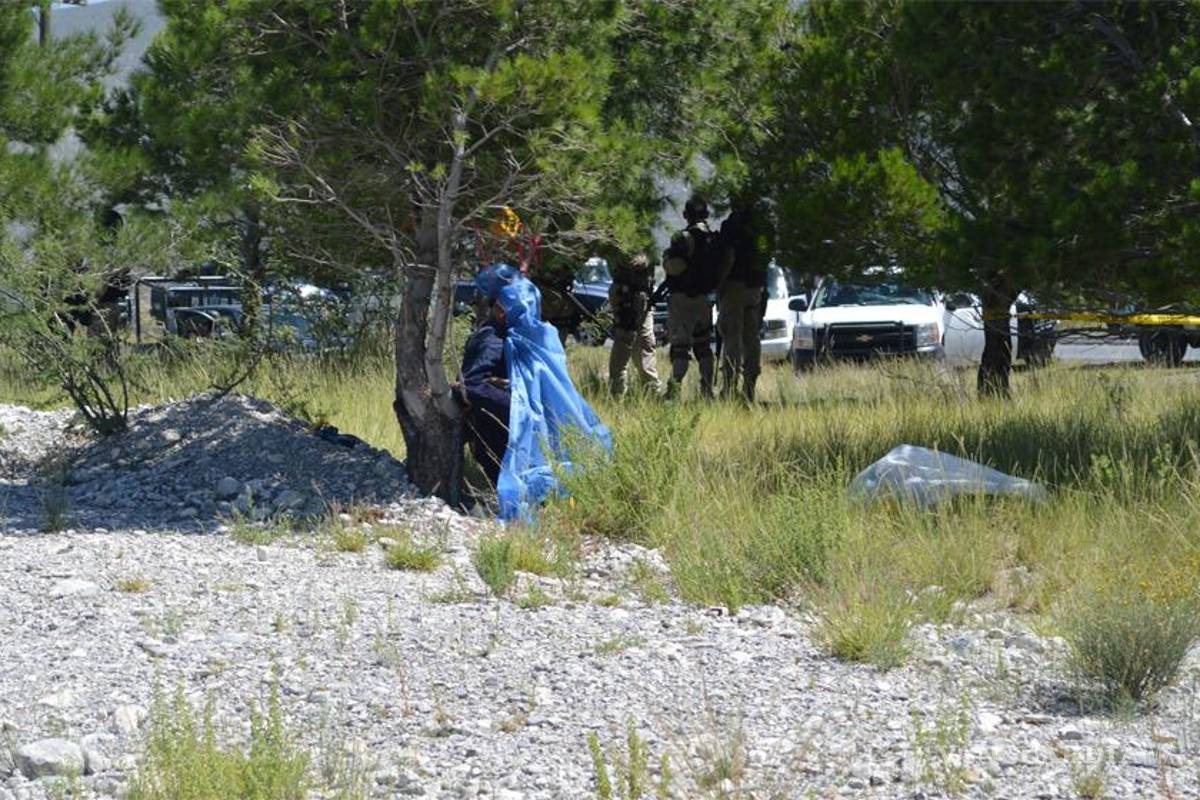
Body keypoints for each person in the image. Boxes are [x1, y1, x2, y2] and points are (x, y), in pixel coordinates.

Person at [662, 196, 729, 398]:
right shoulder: (715, 239)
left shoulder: (682, 238)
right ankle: (707, 390)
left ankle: (673, 392)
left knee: (680, 348)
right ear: (706, 215)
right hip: (704, 301)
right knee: (703, 348)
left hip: (683, 300)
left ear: (686, 215)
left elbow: (674, 268)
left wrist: (666, 258)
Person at [458, 266, 518, 488]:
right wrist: (514, 394)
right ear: (501, 308)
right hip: (495, 432)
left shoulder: (510, 334)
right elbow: (473, 386)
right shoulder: (491, 339)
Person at [717, 195, 770, 401]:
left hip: (734, 286)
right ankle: (749, 388)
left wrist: (720, 284)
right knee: (751, 338)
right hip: (755, 287)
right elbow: (765, 255)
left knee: (732, 337)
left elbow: (728, 257)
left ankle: (729, 389)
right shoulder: (763, 226)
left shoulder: (732, 225)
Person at [607, 252, 663, 397]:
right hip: (624, 296)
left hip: (640, 298)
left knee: (644, 344)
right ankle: (617, 393)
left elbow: (648, 260)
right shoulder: (617, 245)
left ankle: (652, 393)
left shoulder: (647, 245)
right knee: (623, 343)